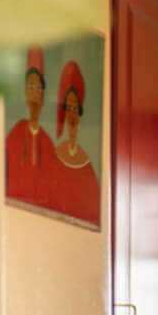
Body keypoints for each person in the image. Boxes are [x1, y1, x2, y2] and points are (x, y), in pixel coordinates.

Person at [4, 47, 57, 208]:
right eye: (31, 87)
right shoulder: (16, 133)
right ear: (26, 91)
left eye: (39, 88)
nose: (35, 94)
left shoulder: (48, 143)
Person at [51, 59, 100, 226]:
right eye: (68, 108)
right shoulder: (55, 157)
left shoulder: (87, 166)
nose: (72, 115)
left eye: (75, 108)